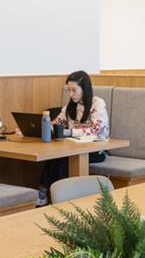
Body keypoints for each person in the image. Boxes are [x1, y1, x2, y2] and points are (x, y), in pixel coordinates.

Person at [38, 70, 109, 203]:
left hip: (96, 150)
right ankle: (44, 194)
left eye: (74, 90)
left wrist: (70, 132)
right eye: (68, 90)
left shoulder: (97, 103)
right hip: (74, 149)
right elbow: (57, 122)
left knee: (63, 163)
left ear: (84, 89)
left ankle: (62, 200)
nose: (71, 94)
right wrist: (41, 128)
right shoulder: (70, 106)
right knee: (53, 159)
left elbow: (95, 129)